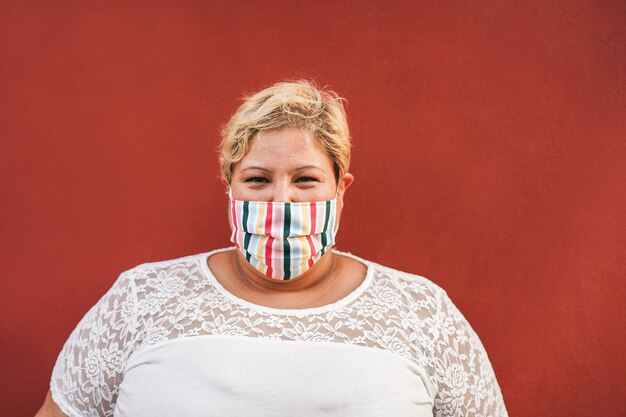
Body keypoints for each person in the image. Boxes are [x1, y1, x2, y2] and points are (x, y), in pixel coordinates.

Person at [36, 80, 508, 417]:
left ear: (341, 189)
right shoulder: (141, 297)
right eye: (258, 180)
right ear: (229, 188)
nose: (281, 201)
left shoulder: (422, 311)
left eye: (305, 180)